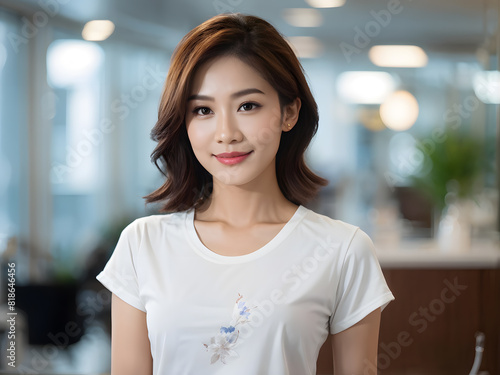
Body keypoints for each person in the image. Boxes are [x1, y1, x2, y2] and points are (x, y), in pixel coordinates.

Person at [96, 12, 395, 375]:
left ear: (289, 112)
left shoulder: (343, 250)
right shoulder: (142, 245)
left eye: (247, 106)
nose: (226, 133)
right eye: (203, 110)